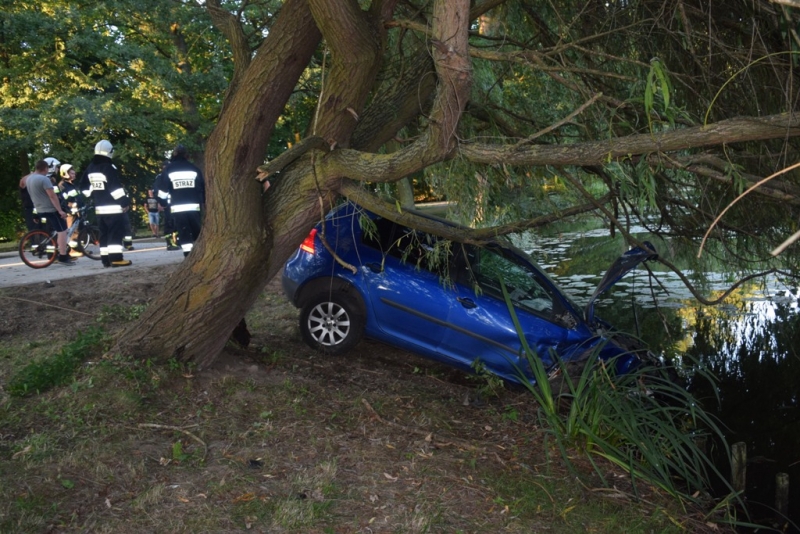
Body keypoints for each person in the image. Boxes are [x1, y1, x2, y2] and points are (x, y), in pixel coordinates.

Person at [78, 140, 132, 268]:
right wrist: (124, 201)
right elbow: (115, 188)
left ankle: (106, 260)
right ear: (109, 152)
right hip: (113, 208)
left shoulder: (91, 167)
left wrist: (93, 193)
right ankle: (117, 259)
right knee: (115, 234)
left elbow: (83, 187)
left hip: (99, 209)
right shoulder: (108, 167)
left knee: (104, 235)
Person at [24, 159, 74, 265]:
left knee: (51, 232)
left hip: (39, 209)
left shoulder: (29, 179)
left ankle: (55, 254)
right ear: (46, 168)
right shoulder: (45, 179)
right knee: (62, 231)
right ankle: (63, 257)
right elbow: (52, 196)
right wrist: (60, 210)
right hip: (50, 209)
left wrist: (35, 213)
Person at [158, 146, 204, 257]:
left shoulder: (169, 169)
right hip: (194, 206)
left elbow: (163, 190)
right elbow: (202, 187)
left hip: (177, 207)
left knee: (183, 231)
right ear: (186, 155)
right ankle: (199, 253)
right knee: (196, 230)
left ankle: (188, 255)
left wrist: (163, 203)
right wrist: (204, 202)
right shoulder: (193, 168)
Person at [153, 160, 180, 250]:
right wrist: (160, 203)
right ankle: (170, 243)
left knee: (177, 223)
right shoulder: (160, 177)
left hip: (175, 203)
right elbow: (156, 191)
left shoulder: (174, 176)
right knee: (169, 223)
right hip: (166, 205)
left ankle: (177, 241)